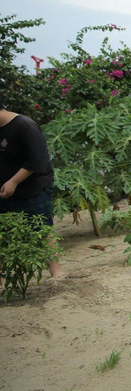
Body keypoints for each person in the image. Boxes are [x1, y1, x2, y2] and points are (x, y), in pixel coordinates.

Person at [0, 99, 65, 278]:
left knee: (42, 227)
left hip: (33, 187)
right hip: (6, 190)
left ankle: (56, 271)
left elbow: (38, 159)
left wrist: (14, 181)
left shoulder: (24, 125)